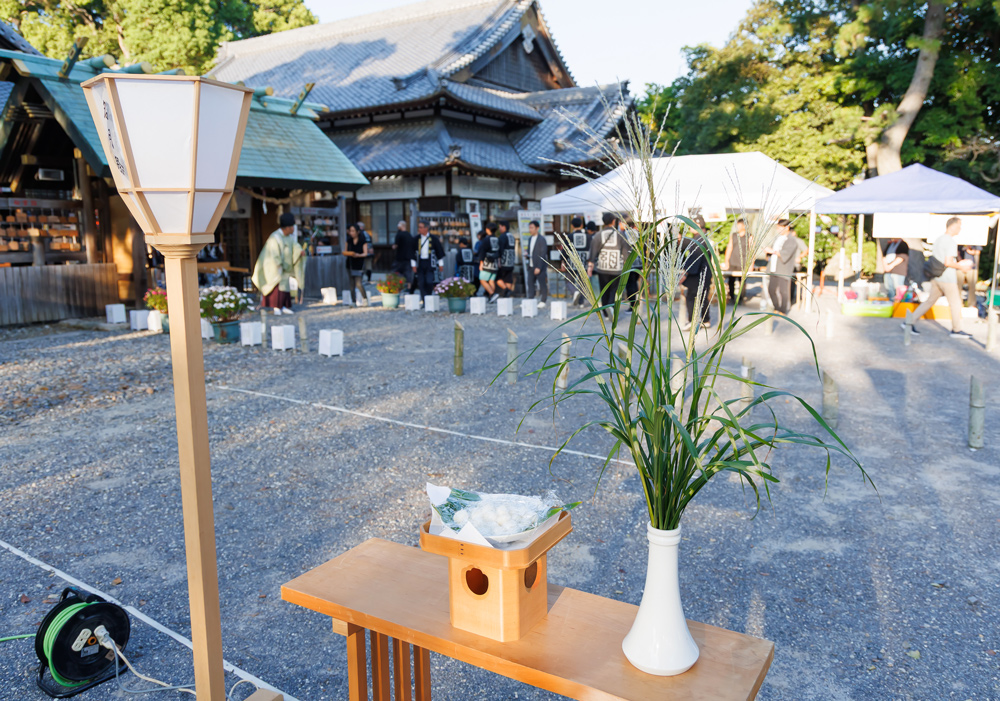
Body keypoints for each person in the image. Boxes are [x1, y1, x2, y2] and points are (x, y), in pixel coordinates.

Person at [906, 217, 974, 338]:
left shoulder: (939, 239)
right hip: (947, 278)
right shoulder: (950, 241)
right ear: (953, 226)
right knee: (955, 303)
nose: (960, 229)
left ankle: (909, 321)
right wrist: (961, 266)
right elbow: (948, 262)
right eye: (959, 226)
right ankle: (956, 330)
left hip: (936, 276)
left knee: (930, 301)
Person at [251, 212, 297, 314]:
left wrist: (300, 252)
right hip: (272, 266)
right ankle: (276, 306)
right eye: (292, 226)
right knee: (275, 283)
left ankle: (283, 305)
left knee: (284, 285)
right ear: (287, 227)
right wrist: (279, 264)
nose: (293, 229)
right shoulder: (274, 237)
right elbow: (274, 253)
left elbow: (295, 246)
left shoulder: (288, 237)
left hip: (284, 267)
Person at [588, 213, 631, 318]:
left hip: (602, 268)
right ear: (613, 221)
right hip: (617, 268)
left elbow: (593, 252)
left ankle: (605, 312)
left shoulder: (598, 235)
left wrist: (590, 267)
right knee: (614, 290)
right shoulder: (620, 235)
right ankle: (611, 307)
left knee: (604, 290)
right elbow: (626, 253)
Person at [680, 215, 713, 329]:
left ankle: (691, 321)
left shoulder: (699, 240)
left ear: (697, 225)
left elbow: (694, 259)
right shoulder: (702, 238)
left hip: (699, 274)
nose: (689, 227)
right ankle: (706, 319)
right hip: (704, 272)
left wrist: (685, 274)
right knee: (702, 297)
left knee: (692, 297)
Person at [763, 219, 799, 314]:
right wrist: (768, 252)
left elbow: (786, 254)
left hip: (784, 268)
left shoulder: (792, 240)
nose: (778, 230)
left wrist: (773, 251)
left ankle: (783, 310)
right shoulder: (777, 238)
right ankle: (776, 307)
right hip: (773, 267)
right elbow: (773, 251)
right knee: (771, 289)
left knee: (783, 291)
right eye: (777, 228)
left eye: (780, 228)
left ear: (786, 228)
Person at [411, 220, 445, 300]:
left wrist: (441, 264)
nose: (419, 229)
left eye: (421, 227)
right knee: (421, 282)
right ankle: (424, 300)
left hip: (430, 263)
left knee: (429, 281)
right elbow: (412, 252)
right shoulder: (415, 239)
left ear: (427, 228)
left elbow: (439, 252)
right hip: (420, 263)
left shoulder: (434, 239)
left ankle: (428, 297)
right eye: (419, 227)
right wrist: (413, 264)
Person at [722, 218, 751, 304]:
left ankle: (741, 298)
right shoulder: (734, 235)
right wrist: (726, 260)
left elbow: (752, 250)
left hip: (743, 262)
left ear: (744, 226)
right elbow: (729, 247)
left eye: (739, 225)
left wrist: (751, 265)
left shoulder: (749, 236)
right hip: (733, 261)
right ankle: (732, 297)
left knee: (742, 281)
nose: (737, 227)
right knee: (731, 280)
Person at [564, 217, 591, 305]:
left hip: (572, 262)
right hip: (584, 262)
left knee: (569, 280)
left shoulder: (569, 236)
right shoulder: (588, 237)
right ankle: (581, 302)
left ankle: (574, 291)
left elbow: (564, 250)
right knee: (583, 282)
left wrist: (562, 261)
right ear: (582, 225)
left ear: (572, 226)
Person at [343, 224, 369, 306]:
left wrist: (358, 255)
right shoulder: (349, 241)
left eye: (353, 231)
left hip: (359, 264)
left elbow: (365, 253)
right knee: (351, 285)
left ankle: (365, 299)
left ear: (358, 232)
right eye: (350, 231)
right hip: (350, 264)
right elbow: (345, 251)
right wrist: (349, 254)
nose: (351, 233)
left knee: (358, 284)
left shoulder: (363, 241)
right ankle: (353, 302)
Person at [526, 220, 549, 308]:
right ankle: (530, 299)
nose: (530, 230)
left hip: (540, 266)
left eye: (532, 228)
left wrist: (539, 267)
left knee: (542, 282)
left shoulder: (541, 239)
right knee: (530, 282)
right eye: (529, 228)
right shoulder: (530, 239)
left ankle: (543, 300)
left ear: (537, 228)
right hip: (531, 264)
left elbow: (543, 254)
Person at [479, 222, 501, 301]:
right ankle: (491, 296)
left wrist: (481, 263)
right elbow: (499, 251)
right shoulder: (497, 239)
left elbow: (482, 251)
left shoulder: (486, 239)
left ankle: (492, 294)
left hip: (487, 263)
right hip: (495, 262)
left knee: (482, 279)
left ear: (488, 230)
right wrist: (499, 261)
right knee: (491, 280)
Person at [496, 220, 516, 299]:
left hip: (504, 261)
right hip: (511, 261)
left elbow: (500, 249)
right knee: (508, 278)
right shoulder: (511, 236)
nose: (499, 229)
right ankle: (507, 294)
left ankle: (506, 290)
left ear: (503, 227)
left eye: (500, 227)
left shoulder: (502, 236)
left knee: (498, 278)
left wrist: (499, 260)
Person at [392, 220, 414, 287]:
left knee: (396, 271)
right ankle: (409, 286)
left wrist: (393, 247)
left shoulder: (399, 234)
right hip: (408, 257)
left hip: (400, 257)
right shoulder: (409, 234)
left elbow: (396, 245)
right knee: (408, 272)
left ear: (401, 226)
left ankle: (396, 285)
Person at [957, 243, 980, 307]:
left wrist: (969, 251)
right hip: (960, 266)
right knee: (958, 286)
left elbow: (978, 252)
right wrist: (962, 264)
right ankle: (958, 303)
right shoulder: (960, 241)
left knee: (972, 287)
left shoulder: (976, 241)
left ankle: (972, 304)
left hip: (972, 267)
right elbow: (957, 253)